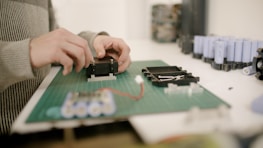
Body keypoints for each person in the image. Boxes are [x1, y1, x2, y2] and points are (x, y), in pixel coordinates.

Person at [0, 0, 131, 135]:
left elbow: (52, 39)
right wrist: (25, 53)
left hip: (46, 112)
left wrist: (93, 43)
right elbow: (40, 46)